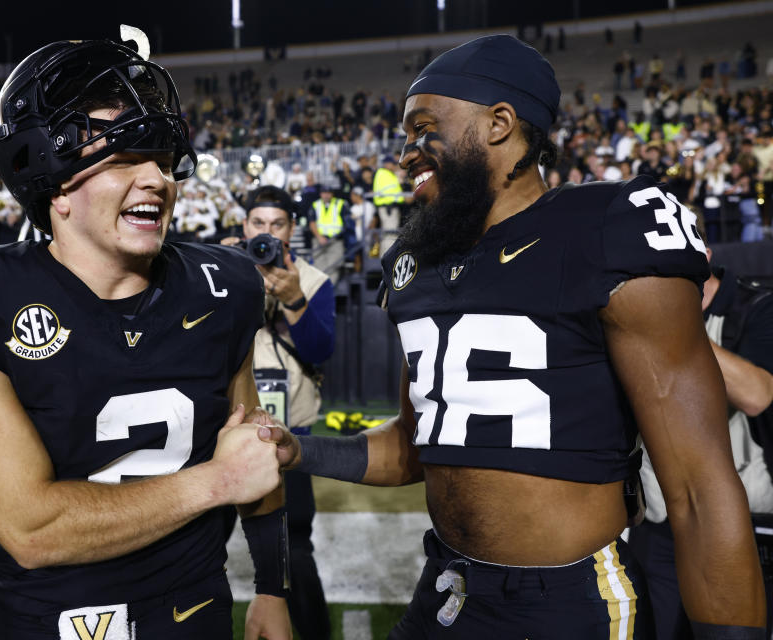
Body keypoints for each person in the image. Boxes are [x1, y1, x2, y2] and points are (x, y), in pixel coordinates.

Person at [264, 34, 766, 638]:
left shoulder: (605, 229)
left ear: (499, 124)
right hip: (448, 586)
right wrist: (298, 450)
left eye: (423, 128)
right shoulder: (416, 263)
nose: (405, 155)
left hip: (571, 599)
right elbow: (415, 445)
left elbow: (697, 488)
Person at [0, 38, 292, 640]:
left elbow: (254, 450)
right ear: (52, 182)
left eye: (162, 158)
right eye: (121, 157)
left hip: (197, 612)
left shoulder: (225, 284)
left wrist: (272, 589)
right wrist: (216, 482)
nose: (156, 179)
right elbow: (32, 529)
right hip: (56, 624)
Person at [631, 240, 773, 639]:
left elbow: (758, 395)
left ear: (704, 255)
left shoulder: (754, 306)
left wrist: (676, 321)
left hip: (736, 516)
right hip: (659, 516)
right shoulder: (631, 313)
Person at [225, 185, 336, 639]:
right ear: (244, 227)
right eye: (258, 225)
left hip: (290, 437)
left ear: (291, 230)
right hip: (228, 428)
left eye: (276, 225)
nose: (267, 234)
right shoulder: (223, 270)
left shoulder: (312, 280)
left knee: (293, 548)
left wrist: (292, 300)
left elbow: (320, 348)